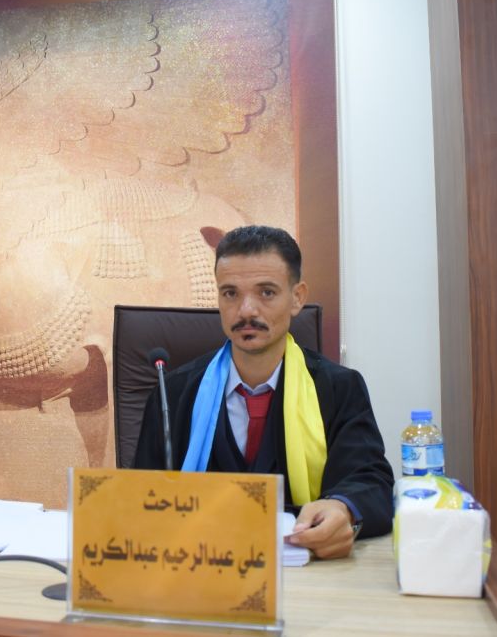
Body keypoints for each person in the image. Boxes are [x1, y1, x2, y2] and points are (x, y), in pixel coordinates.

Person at [133, 225, 394, 559]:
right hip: (197, 569)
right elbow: (139, 496)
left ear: (297, 297)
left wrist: (344, 507)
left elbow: (371, 482)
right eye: (230, 293)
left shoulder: (339, 388)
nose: (246, 310)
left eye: (266, 292)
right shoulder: (173, 393)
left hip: (307, 571)